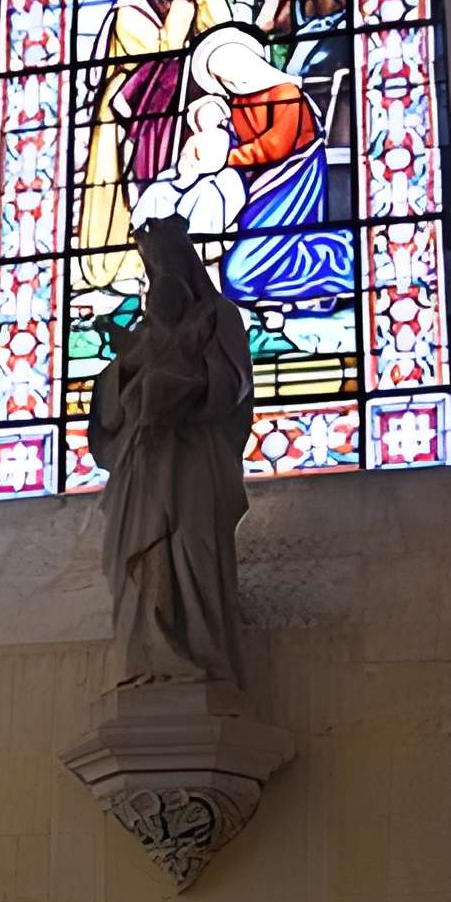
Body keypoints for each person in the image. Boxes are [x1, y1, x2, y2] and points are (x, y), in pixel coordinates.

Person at [87, 215, 253, 687]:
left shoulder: (217, 315)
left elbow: (232, 382)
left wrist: (177, 390)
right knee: (142, 554)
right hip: (142, 463)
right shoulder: (142, 335)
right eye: (150, 269)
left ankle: (200, 657)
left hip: (193, 456)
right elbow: (109, 410)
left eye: (161, 264)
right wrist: (134, 369)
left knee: (192, 548)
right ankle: (149, 658)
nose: (156, 277)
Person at [75, 0, 231, 295]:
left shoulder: (178, 3)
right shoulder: (127, 13)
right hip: (128, 118)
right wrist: (186, 2)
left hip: (175, 113)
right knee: (129, 191)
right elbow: (164, 50)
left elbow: (222, 35)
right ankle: (127, 263)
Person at [186, 26, 354, 312]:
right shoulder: (238, 102)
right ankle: (304, 284)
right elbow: (237, 141)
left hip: (294, 180)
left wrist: (226, 158)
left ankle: (342, 261)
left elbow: (277, 145)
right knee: (237, 274)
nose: (230, 78)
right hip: (259, 184)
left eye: (230, 66)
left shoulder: (285, 93)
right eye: (220, 75)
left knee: (236, 277)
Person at [130, 97, 246, 263]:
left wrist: (193, 169)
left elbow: (212, 163)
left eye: (209, 114)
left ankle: (191, 247)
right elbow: (184, 160)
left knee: (203, 197)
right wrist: (185, 171)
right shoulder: (194, 137)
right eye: (201, 114)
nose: (203, 118)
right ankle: (142, 235)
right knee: (157, 191)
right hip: (183, 179)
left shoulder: (221, 138)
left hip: (203, 181)